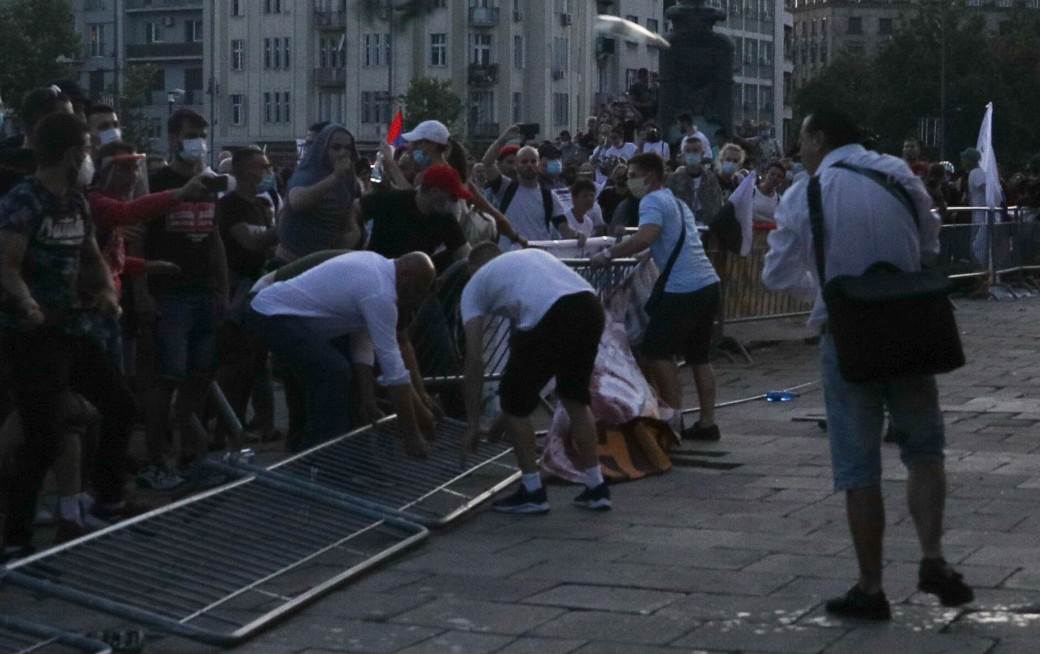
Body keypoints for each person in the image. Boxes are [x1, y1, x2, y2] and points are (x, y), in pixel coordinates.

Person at [761, 107, 973, 621]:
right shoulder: (898, 174)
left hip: (849, 334)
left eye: (802, 137)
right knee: (925, 450)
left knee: (859, 468)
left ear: (818, 139)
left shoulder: (804, 193)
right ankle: (932, 557)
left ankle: (870, 586)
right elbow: (928, 244)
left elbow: (774, 274)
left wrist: (827, 284)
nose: (799, 147)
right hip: (910, 327)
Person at [0, 112, 125, 558]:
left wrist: (107, 290)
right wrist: (27, 302)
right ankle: (16, 538)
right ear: (73, 154)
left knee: (117, 403)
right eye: (88, 149)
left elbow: (92, 258)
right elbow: (7, 265)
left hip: (72, 328)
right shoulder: (25, 201)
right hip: (31, 334)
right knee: (42, 436)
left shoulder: (74, 201)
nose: (90, 157)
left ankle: (104, 499)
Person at [461, 244, 610, 513]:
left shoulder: (474, 286)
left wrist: (472, 423)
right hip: (589, 305)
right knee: (575, 396)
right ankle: (596, 486)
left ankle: (532, 490)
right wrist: (499, 426)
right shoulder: (529, 259)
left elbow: (474, 360)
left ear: (473, 268)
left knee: (514, 398)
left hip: (552, 313)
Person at [247, 251, 438, 455]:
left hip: (283, 314)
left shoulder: (377, 268)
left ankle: (312, 456)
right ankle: (319, 459)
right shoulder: (380, 292)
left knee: (330, 376)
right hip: (272, 312)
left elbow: (362, 344)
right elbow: (395, 373)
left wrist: (367, 399)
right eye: (416, 291)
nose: (414, 300)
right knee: (334, 372)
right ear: (406, 274)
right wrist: (413, 436)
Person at [591, 153, 722, 441]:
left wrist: (608, 254)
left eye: (633, 174)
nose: (629, 180)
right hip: (708, 283)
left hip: (683, 288)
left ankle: (672, 421)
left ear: (649, 176)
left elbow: (646, 235)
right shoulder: (677, 202)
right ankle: (707, 422)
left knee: (655, 351)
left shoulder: (651, 201)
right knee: (699, 356)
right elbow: (674, 239)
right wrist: (645, 255)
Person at [138, 108, 228, 490]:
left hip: (204, 292)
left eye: (202, 135)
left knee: (199, 374)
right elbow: (139, 237)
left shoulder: (208, 183)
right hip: (170, 294)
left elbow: (215, 238)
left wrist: (222, 289)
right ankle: (156, 456)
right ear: (174, 139)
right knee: (166, 377)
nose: (198, 143)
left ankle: (188, 448)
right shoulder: (158, 182)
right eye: (192, 135)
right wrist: (142, 291)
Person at [276, 123, 361, 263]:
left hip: (322, 260)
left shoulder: (348, 180)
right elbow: (297, 202)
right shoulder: (308, 173)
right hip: (291, 260)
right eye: (336, 147)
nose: (343, 153)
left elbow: (345, 216)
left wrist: (353, 233)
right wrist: (335, 177)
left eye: (347, 148)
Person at [361, 163, 471, 270]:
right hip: (376, 271)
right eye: (452, 197)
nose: (454, 202)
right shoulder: (392, 200)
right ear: (434, 191)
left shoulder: (445, 219)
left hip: (411, 282)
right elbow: (355, 209)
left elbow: (466, 254)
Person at [482, 128, 566, 243]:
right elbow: (487, 164)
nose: (529, 165)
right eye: (524, 161)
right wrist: (502, 140)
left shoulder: (549, 196)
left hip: (537, 255)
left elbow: (563, 227)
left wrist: (577, 235)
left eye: (533, 161)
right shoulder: (505, 187)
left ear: (539, 164)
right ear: (516, 165)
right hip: (510, 256)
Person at [667, 137, 723, 222]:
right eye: (688, 151)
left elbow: (717, 206)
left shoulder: (711, 179)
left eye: (695, 151)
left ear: (702, 154)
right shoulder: (673, 180)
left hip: (706, 228)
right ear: (683, 154)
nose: (691, 154)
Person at [561, 179, 606, 245]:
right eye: (585, 196)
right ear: (574, 198)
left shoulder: (589, 223)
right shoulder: (564, 219)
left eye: (592, 196)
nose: (589, 199)